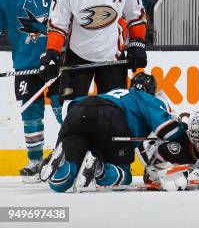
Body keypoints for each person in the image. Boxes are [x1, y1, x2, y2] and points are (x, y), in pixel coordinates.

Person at [39, 72, 186, 192]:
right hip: (110, 116)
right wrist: (184, 129)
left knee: (61, 184)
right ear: (151, 90)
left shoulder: (113, 93)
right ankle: (100, 169)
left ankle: (62, 163)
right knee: (125, 175)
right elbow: (168, 130)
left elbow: (70, 108)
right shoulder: (146, 97)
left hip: (78, 111)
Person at [39, 0, 147, 101]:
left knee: (114, 112)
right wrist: (52, 53)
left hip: (112, 57)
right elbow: (58, 26)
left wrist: (137, 44)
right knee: (71, 110)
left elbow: (136, 17)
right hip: (77, 56)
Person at [0, 0, 62, 183]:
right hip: (26, 65)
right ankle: (35, 161)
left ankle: (72, 153)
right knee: (32, 115)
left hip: (56, 62)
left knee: (62, 109)